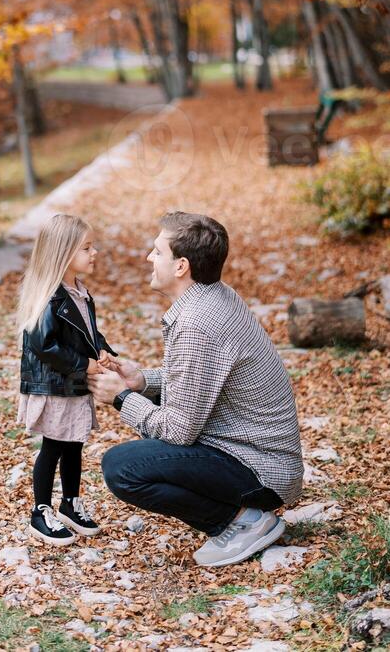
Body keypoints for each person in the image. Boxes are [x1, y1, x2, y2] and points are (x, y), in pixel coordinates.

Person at [88, 210, 303, 568]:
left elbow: (178, 431)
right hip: (259, 457)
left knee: (122, 468)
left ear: (181, 266)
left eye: (157, 251)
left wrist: (121, 398)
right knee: (132, 458)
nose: (148, 257)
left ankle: (242, 522)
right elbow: (199, 383)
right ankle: (239, 513)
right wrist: (141, 381)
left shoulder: (197, 323)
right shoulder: (216, 297)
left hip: (260, 471)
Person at [16, 212, 118, 545]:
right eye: (86, 248)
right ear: (63, 253)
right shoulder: (50, 296)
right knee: (54, 445)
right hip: (54, 385)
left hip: (72, 383)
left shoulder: (80, 293)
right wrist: (83, 364)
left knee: (75, 442)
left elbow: (88, 333)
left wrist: (102, 350)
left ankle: (70, 503)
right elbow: (43, 345)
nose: (94, 253)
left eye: (93, 247)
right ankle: (40, 509)